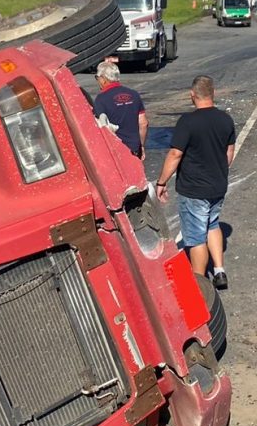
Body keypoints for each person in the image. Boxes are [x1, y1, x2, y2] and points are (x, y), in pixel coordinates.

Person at [155, 76, 236, 291]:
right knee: (213, 224)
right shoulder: (225, 120)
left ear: (192, 95)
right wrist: (217, 170)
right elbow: (229, 153)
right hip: (217, 185)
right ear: (213, 93)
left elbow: (175, 154)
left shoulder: (187, 122)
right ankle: (219, 271)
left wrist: (161, 182)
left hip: (194, 189)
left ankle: (199, 286)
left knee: (195, 237)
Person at [92, 60, 147, 159]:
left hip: (116, 150)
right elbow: (143, 123)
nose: (97, 81)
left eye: (97, 77)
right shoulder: (134, 94)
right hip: (134, 148)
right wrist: (141, 146)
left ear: (103, 79)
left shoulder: (101, 99)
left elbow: (101, 126)